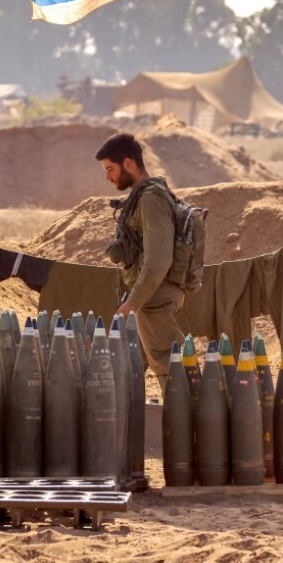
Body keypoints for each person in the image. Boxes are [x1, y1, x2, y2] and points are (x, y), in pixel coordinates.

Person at [95, 132, 186, 386]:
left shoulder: (150, 199)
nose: (107, 177)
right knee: (164, 365)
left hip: (156, 297)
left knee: (170, 369)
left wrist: (132, 303)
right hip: (154, 295)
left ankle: (185, 425)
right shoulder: (148, 195)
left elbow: (158, 260)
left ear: (129, 163)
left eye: (110, 169)